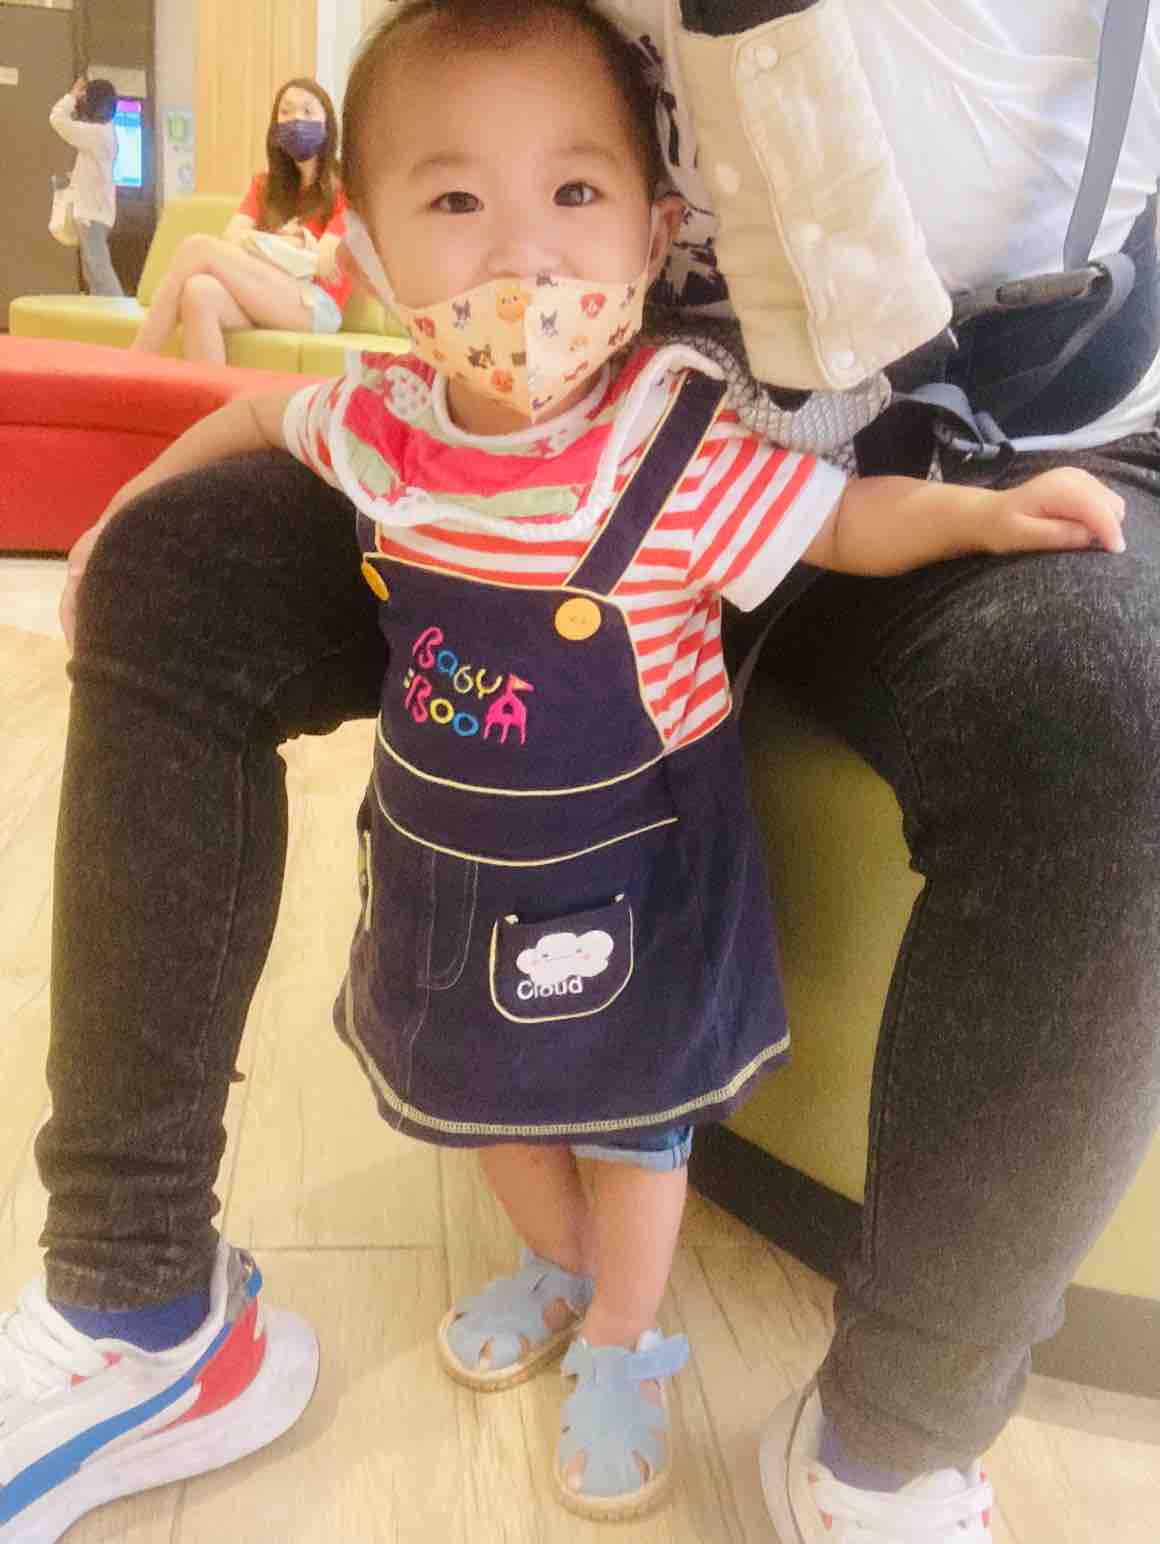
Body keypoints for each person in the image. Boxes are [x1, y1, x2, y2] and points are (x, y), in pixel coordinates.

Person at [0, 1, 1142, 1539]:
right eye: (458, 206)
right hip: (466, 835)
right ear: (372, 244)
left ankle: (761, 1384)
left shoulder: (679, 445)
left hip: (714, 755)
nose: (521, 256)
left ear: (649, 221)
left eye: (572, 197)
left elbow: (837, 519)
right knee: (473, 1090)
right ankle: (190, 1304)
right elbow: (278, 410)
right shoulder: (390, 420)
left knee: (648, 1115)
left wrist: (988, 517)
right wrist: (136, 495)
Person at [129, 78, 353, 364]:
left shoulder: (347, 189)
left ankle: (135, 361)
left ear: (328, 124)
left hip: (316, 304)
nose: (296, 120)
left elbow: (323, 263)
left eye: (308, 111)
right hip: (267, 294)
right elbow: (230, 239)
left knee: (197, 247)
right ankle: (207, 392)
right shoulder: (265, 186)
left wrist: (258, 244)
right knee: (198, 291)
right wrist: (285, 243)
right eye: (286, 112)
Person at [49, 76, 124, 299]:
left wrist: (72, 96)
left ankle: (119, 313)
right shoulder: (105, 132)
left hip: (92, 214)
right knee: (94, 271)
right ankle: (106, 313)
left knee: (99, 271)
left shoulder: (95, 135)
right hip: (97, 212)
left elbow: (57, 118)